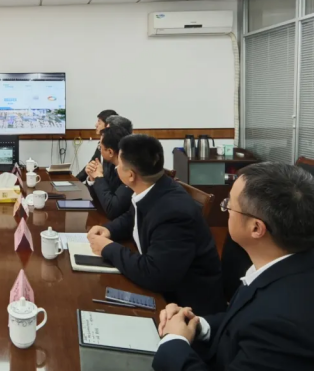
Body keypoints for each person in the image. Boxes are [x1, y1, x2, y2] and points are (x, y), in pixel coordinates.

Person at [154, 163, 314, 372]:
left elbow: (264, 324)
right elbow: (246, 320)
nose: (226, 209)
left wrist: (174, 341)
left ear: (256, 228)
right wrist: (197, 325)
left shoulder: (283, 329)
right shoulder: (306, 265)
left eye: (229, 204)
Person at [87, 134, 225, 316]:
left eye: (119, 164)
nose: (116, 167)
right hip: (162, 288)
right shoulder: (155, 186)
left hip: (185, 308)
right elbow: (132, 216)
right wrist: (109, 230)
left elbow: (156, 274)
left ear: (130, 175)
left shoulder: (174, 213)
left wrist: (108, 248)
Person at [84, 119, 134, 220]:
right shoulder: (111, 165)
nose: (99, 150)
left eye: (100, 147)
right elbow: (99, 199)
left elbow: (113, 209)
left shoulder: (130, 171)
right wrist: (92, 179)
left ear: (110, 152)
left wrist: (98, 177)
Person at [76, 109, 119, 182]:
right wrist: (75, 181)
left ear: (108, 125)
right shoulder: (101, 144)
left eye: (99, 122)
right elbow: (91, 165)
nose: (96, 125)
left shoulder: (114, 147)